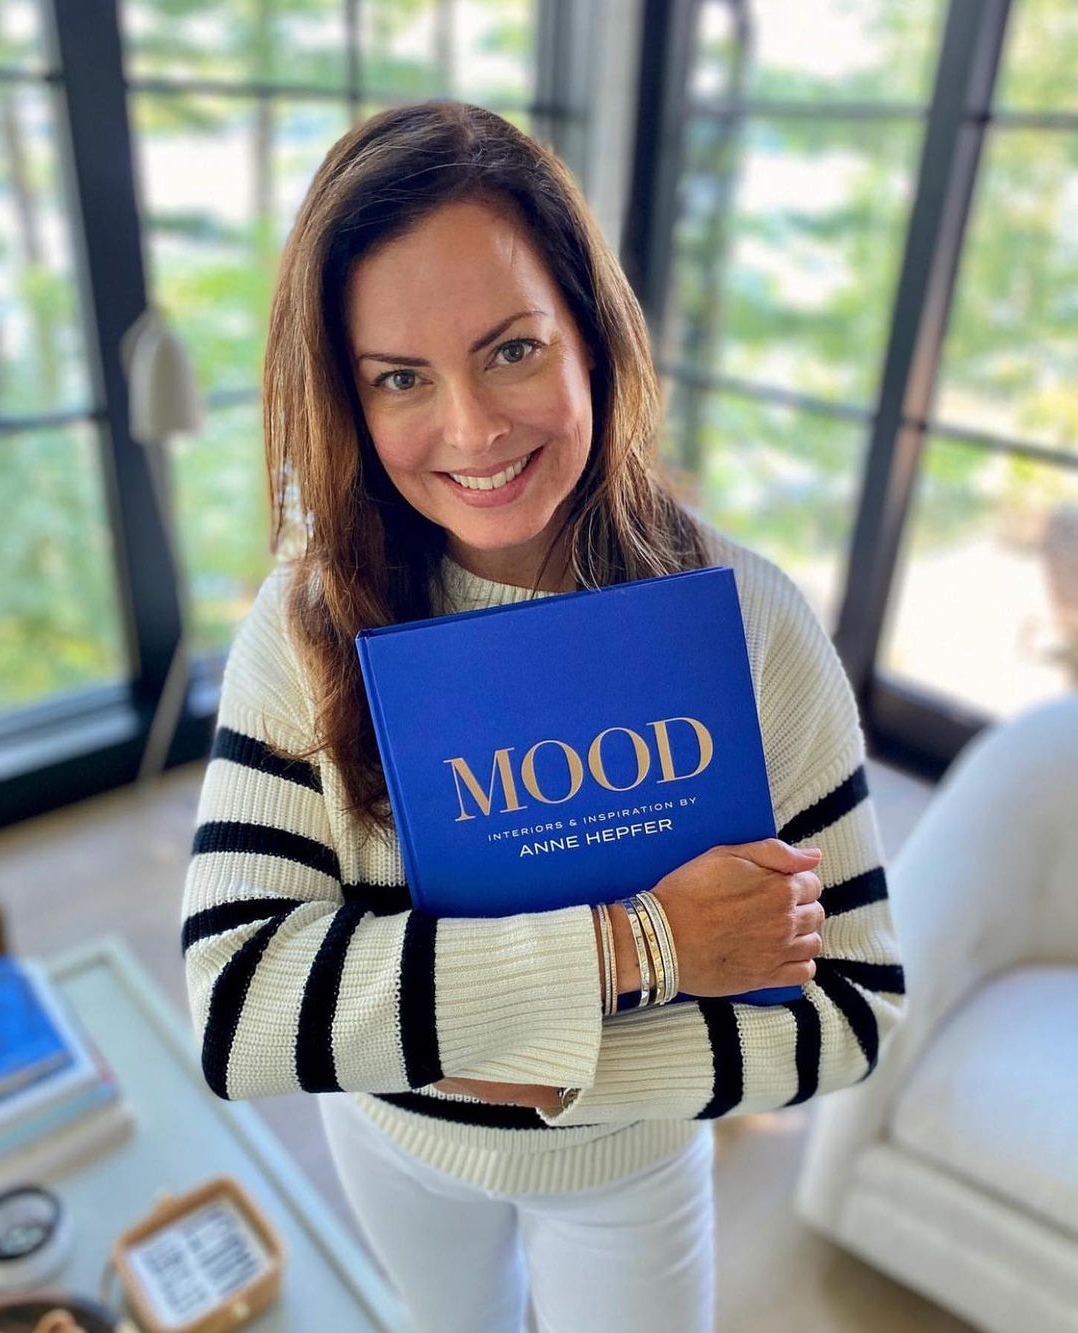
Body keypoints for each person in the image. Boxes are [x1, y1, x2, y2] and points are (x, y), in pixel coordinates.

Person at [180, 100, 907, 1333]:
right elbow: (239, 1007)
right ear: (348, 399)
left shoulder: (748, 623)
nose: (472, 429)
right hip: (394, 1143)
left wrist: (552, 1065)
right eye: (400, 378)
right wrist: (646, 947)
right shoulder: (308, 625)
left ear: (591, 335)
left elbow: (854, 1004)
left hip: (629, 1170)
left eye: (512, 348)